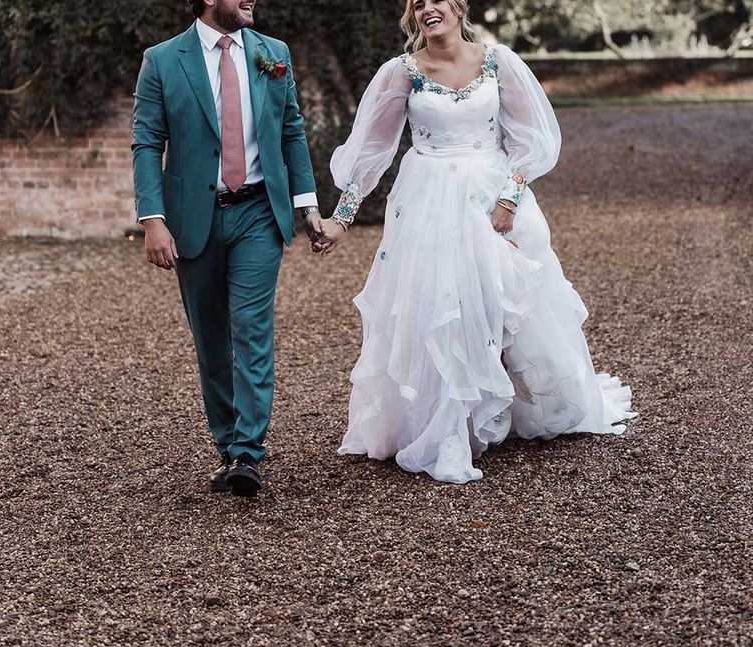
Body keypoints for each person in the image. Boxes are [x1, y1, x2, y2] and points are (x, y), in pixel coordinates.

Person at [314, 0, 636, 484]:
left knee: (504, 303)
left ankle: (521, 404)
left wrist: (509, 199)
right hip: (427, 199)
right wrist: (341, 218)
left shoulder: (498, 61)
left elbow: (530, 139)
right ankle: (448, 429)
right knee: (441, 306)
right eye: (418, 3)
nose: (427, 8)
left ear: (459, 7)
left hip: (492, 195)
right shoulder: (401, 72)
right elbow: (371, 151)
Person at [132, 0, 322, 497]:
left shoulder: (273, 52)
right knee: (211, 339)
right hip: (193, 218)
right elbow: (147, 141)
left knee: (251, 328)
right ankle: (227, 444)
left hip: (259, 211)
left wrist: (307, 206)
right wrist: (153, 219)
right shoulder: (162, 60)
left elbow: (291, 130)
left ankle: (247, 452)